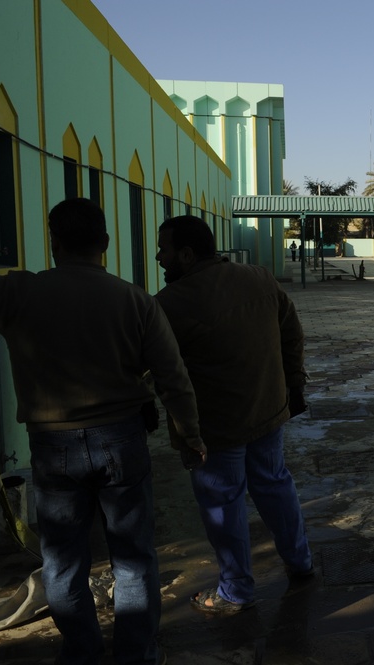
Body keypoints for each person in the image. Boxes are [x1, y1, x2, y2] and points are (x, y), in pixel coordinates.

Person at [0, 197, 204, 665]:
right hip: (120, 441)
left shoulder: (16, 294)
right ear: (104, 244)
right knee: (133, 557)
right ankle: (137, 654)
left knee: (62, 560)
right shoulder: (134, 299)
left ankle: (81, 651)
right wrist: (190, 434)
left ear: (54, 242)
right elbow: (173, 377)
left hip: (52, 447)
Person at [154, 215, 312, 616]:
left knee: (224, 504)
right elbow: (292, 333)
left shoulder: (170, 303)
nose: (159, 257)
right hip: (268, 410)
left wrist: (187, 434)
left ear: (187, 254)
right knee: (275, 486)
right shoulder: (259, 278)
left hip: (216, 429)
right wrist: (293, 387)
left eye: (165, 249)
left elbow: (163, 374)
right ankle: (300, 562)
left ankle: (236, 591)